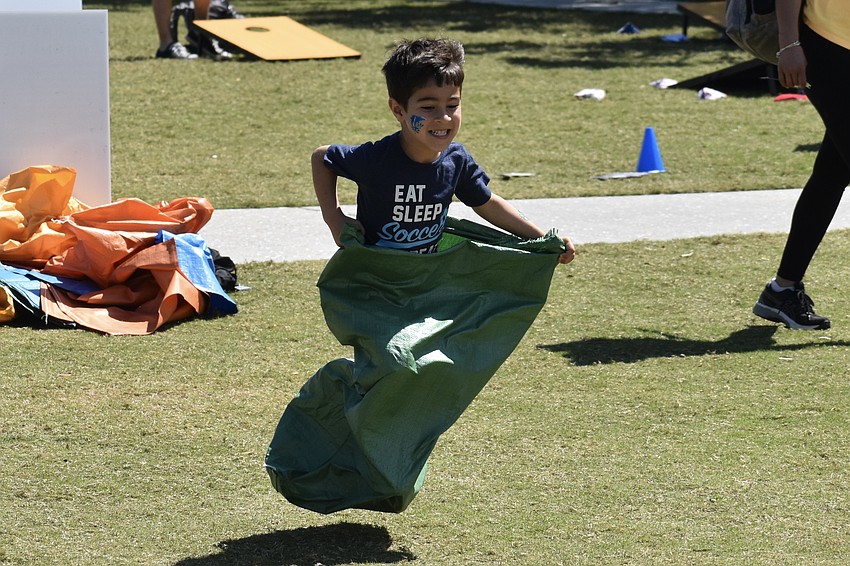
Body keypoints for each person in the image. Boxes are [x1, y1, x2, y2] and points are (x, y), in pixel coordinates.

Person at [312, 37, 576, 264]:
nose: (444, 117)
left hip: (427, 277)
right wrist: (334, 218)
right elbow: (322, 157)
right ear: (398, 110)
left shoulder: (457, 161)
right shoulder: (376, 159)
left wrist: (542, 239)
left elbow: (488, 204)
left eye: (452, 105)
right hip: (374, 277)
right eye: (428, 107)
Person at [752, 0, 849, 330]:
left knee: (833, 173)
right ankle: (782, 290)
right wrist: (789, 44)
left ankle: (781, 290)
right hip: (827, 44)